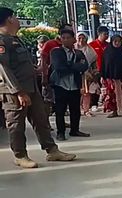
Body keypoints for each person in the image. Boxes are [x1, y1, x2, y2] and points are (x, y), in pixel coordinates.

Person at [0, 7, 76, 168]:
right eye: (15, 16)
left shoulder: (15, 39)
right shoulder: (2, 41)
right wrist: (18, 91)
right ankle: (20, 155)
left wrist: (35, 70)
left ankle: (52, 150)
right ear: (9, 20)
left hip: (31, 87)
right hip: (15, 91)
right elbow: (3, 68)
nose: (18, 19)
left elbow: (19, 64)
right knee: (16, 124)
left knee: (41, 119)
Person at [50, 29, 90, 141]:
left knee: (75, 109)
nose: (66, 40)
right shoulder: (56, 52)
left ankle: (75, 130)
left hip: (74, 85)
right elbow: (59, 67)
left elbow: (84, 66)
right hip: (60, 85)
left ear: (73, 39)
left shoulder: (78, 53)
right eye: (63, 38)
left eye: (68, 37)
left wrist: (69, 65)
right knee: (60, 110)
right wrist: (75, 66)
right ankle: (60, 132)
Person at [102, 35, 122, 119]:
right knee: (111, 94)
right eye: (115, 41)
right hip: (111, 77)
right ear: (112, 41)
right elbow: (104, 64)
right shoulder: (107, 51)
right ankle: (114, 111)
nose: (117, 43)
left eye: (119, 41)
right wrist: (103, 76)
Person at [75, 32, 98, 117]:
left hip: (86, 73)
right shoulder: (72, 48)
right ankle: (77, 109)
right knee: (76, 92)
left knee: (86, 92)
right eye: (79, 38)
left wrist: (95, 73)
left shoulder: (90, 50)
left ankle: (86, 110)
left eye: (83, 38)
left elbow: (93, 63)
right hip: (74, 73)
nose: (81, 40)